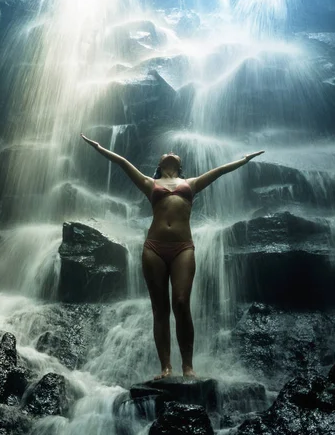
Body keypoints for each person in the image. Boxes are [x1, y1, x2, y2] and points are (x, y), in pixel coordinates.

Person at [80, 133, 264, 379]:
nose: (169, 152)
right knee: (160, 309)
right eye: (165, 153)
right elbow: (122, 162)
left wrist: (244, 160)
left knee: (181, 302)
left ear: (179, 164)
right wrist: (98, 146)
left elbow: (219, 171)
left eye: (174, 153)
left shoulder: (192, 183)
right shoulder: (149, 183)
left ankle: (187, 366)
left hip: (182, 247)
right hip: (154, 248)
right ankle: (166, 367)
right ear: (159, 165)